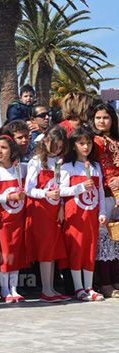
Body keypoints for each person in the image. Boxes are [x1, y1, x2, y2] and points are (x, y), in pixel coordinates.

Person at [60, 127, 107, 301]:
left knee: (89, 250)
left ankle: (89, 287)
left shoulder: (95, 166)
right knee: (76, 251)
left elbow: (100, 191)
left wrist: (102, 211)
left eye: (88, 143)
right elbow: (61, 191)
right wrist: (79, 188)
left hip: (92, 215)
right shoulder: (67, 167)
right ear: (73, 145)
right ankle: (78, 288)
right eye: (81, 143)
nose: (86, 147)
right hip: (75, 215)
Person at [24, 125, 70, 303]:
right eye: (55, 146)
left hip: (53, 209)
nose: (58, 150)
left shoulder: (59, 161)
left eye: (60, 147)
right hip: (40, 211)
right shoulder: (36, 161)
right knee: (45, 250)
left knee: (52, 250)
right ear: (46, 141)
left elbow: (60, 186)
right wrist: (45, 194)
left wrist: (61, 205)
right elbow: (28, 189)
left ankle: (51, 288)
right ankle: (46, 289)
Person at [0, 135, 28, 303]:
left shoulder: (20, 169)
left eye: (4, 148)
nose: (0, 151)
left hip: (18, 218)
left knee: (15, 252)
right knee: (4, 253)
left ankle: (14, 288)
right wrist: (12, 197)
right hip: (2, 221)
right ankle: (4, 288)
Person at [91, 103, 119, 298]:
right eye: (98, 118)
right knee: (104, 239)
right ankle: (106, 283)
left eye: (106, 117)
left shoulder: (117, 139)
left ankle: (116, 279)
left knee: (117, 239)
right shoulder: (91, 141)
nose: (102, 121)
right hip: (103, 194)